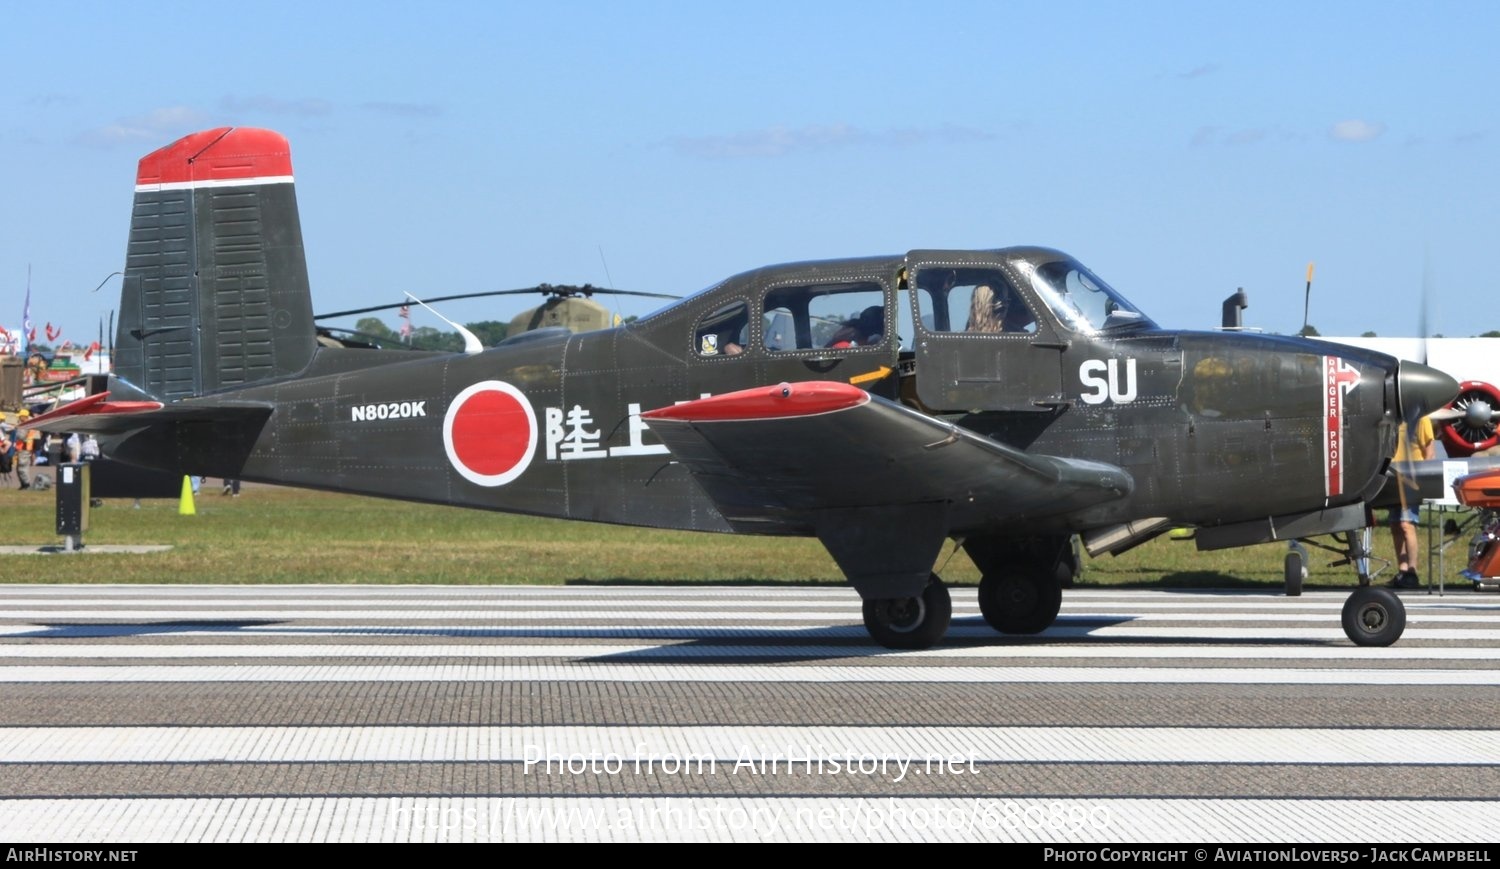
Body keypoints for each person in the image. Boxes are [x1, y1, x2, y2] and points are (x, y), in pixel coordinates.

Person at [1389, 414, 1436, 589]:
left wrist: (1424, 478)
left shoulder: (1421, 419)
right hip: (1392, 477)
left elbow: (1430, 451)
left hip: (1411, 479)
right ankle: (1401, 570)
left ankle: (1412, 570)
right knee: (1395, 525)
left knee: (1406, 524)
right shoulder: (1390, 419)